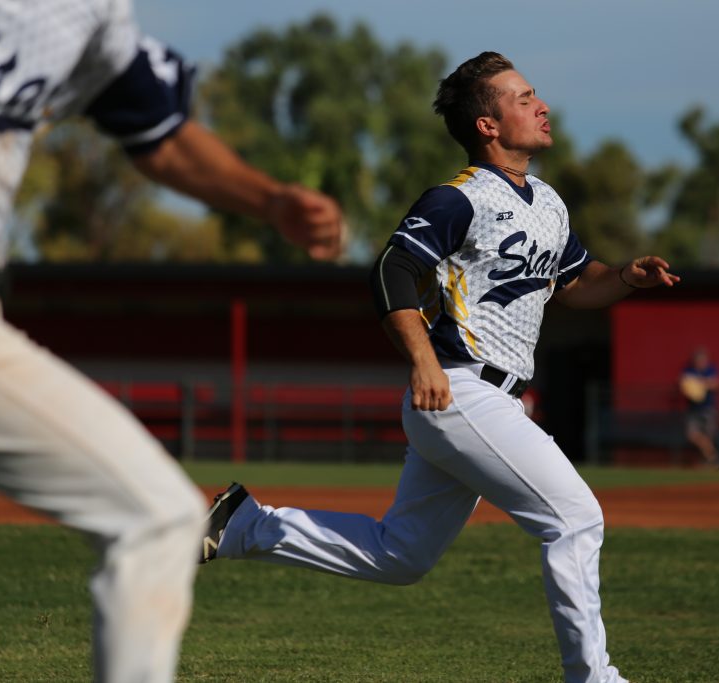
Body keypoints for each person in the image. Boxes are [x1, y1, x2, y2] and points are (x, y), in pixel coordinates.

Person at [201, 51, 678, 683]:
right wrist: (422, 360)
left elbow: (574, 284)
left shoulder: (549, 203)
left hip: (490, 402)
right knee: (575, 519)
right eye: (523, 96)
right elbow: (391, 268)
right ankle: (595, 678)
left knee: (401, 554)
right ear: (487, 124)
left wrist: (624, 277)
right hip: (459, 390)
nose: (542, 105)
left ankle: (245, 525)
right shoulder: (461, 199)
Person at [0, 3, 342, 682]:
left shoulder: (85, 12)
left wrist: (267, 201)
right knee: (156, 517)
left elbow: (159, 132)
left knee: (156, 518)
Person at [679, 346, 719, 467]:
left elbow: (716, 384)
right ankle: (713, 457)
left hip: (708, 409)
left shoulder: (711, 369)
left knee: (708, 436)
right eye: (698, 359)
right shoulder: (689, 370)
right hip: (693, 409)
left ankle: (709, 461)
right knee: (692, 435)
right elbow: (683, 384)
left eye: (703, 359)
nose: (701, 362)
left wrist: (699, 383)